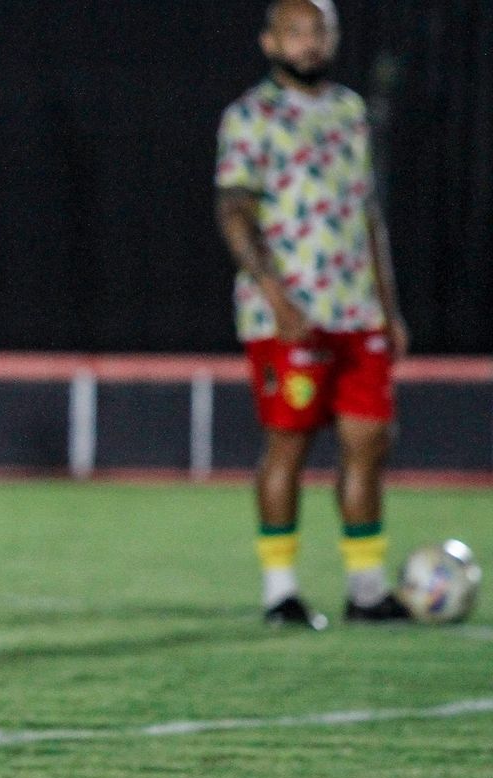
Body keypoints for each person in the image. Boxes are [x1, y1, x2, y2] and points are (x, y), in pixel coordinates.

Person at [215, 0, 411, 629]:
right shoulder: (251, 115)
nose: (309, 43)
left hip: (357, 309)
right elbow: (234, 210)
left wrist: (389, 307)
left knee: (369, 444)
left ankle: (367, 590)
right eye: (295, 33)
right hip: (291, 312)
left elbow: (368, 212)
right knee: (288, 446)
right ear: (270, 43)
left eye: (319, 31)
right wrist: (276, 297)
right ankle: (281, 593)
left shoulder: (351, 110)